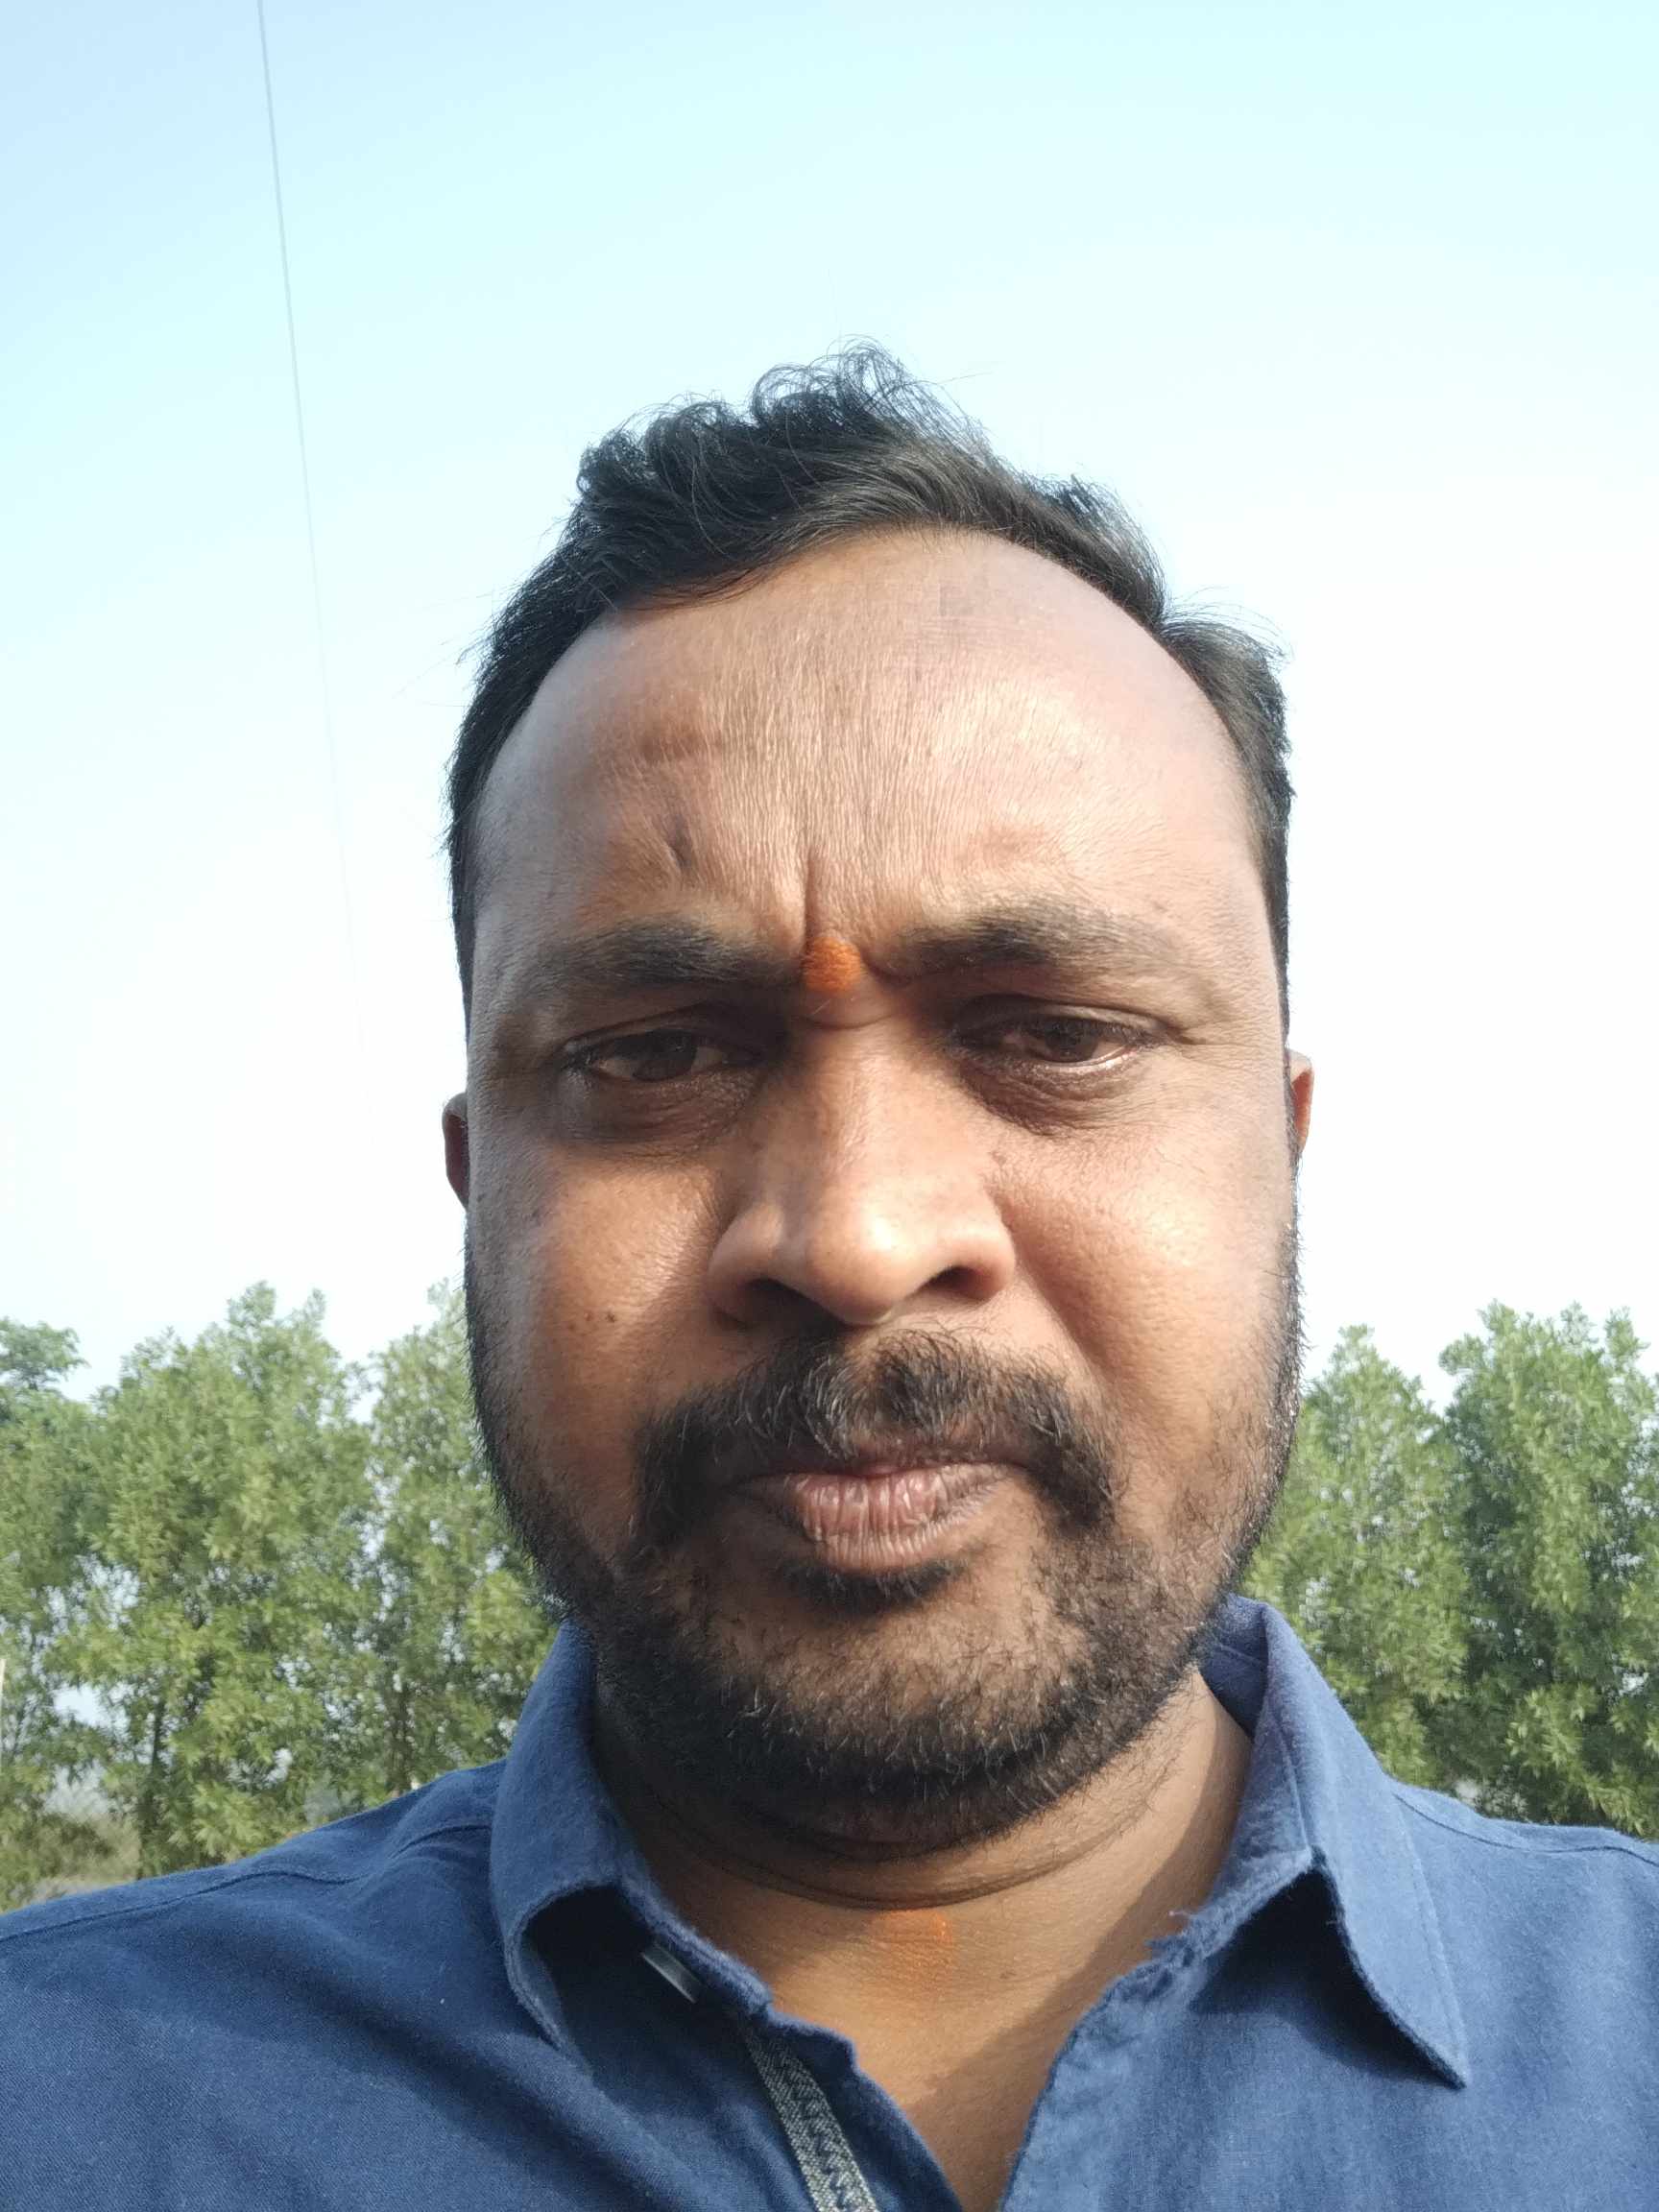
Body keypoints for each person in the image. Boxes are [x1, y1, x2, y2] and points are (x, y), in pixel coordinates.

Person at [3, 349, 1655, 2211]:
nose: (860, 1239)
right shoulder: (61, 2109)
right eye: (654, 1055)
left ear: (1279, 1151)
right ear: (478, 1191)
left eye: (1055, 1032)